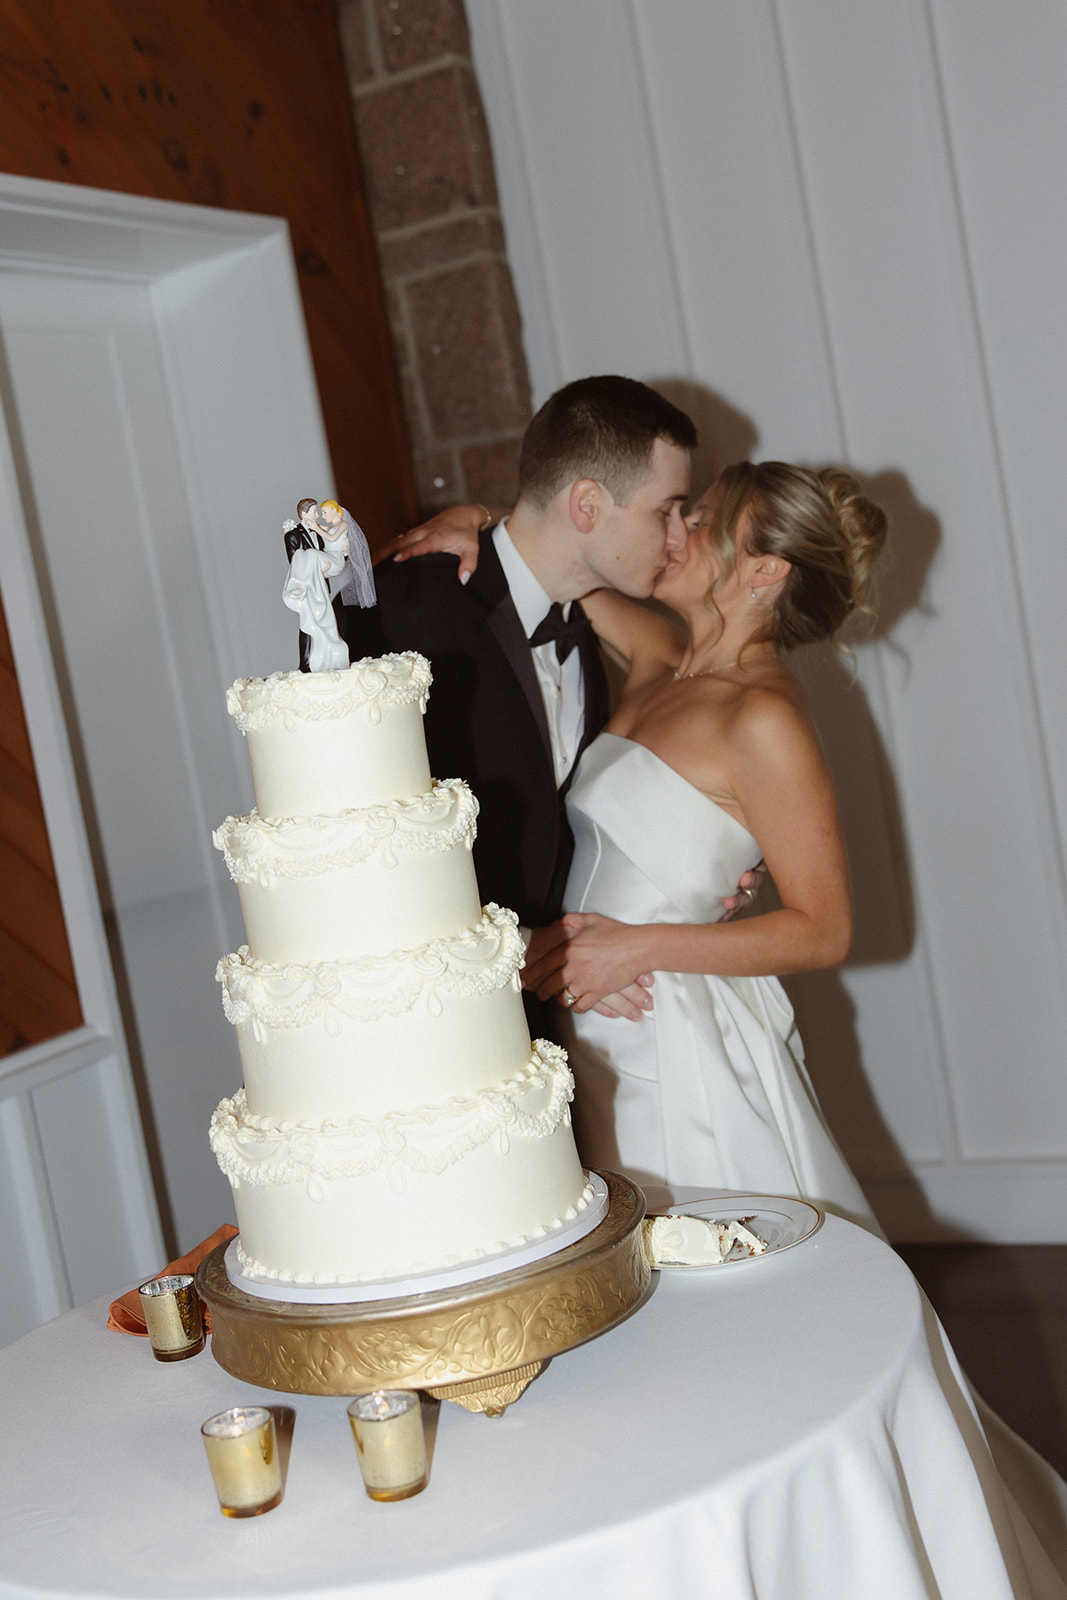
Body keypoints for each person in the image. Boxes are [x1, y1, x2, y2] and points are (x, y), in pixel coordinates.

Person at [397, 461, 886, 1232]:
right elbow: (555, 554)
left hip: (665, 1030)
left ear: (764, 568)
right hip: (579, 1017)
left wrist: (637, 947)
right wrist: (482, 521)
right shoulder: (662, 655)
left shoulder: (763, 719)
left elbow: (825, 928)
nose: (673, 532)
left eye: (701, 522)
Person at [341, 374, 731, 1031]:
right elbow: (354, 845)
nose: (675, 538)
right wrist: (514, 954)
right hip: (420, 1030)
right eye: (664, 510)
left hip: (547, 1033)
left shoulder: (587, 636)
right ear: (586, 505)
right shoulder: (405, 606)